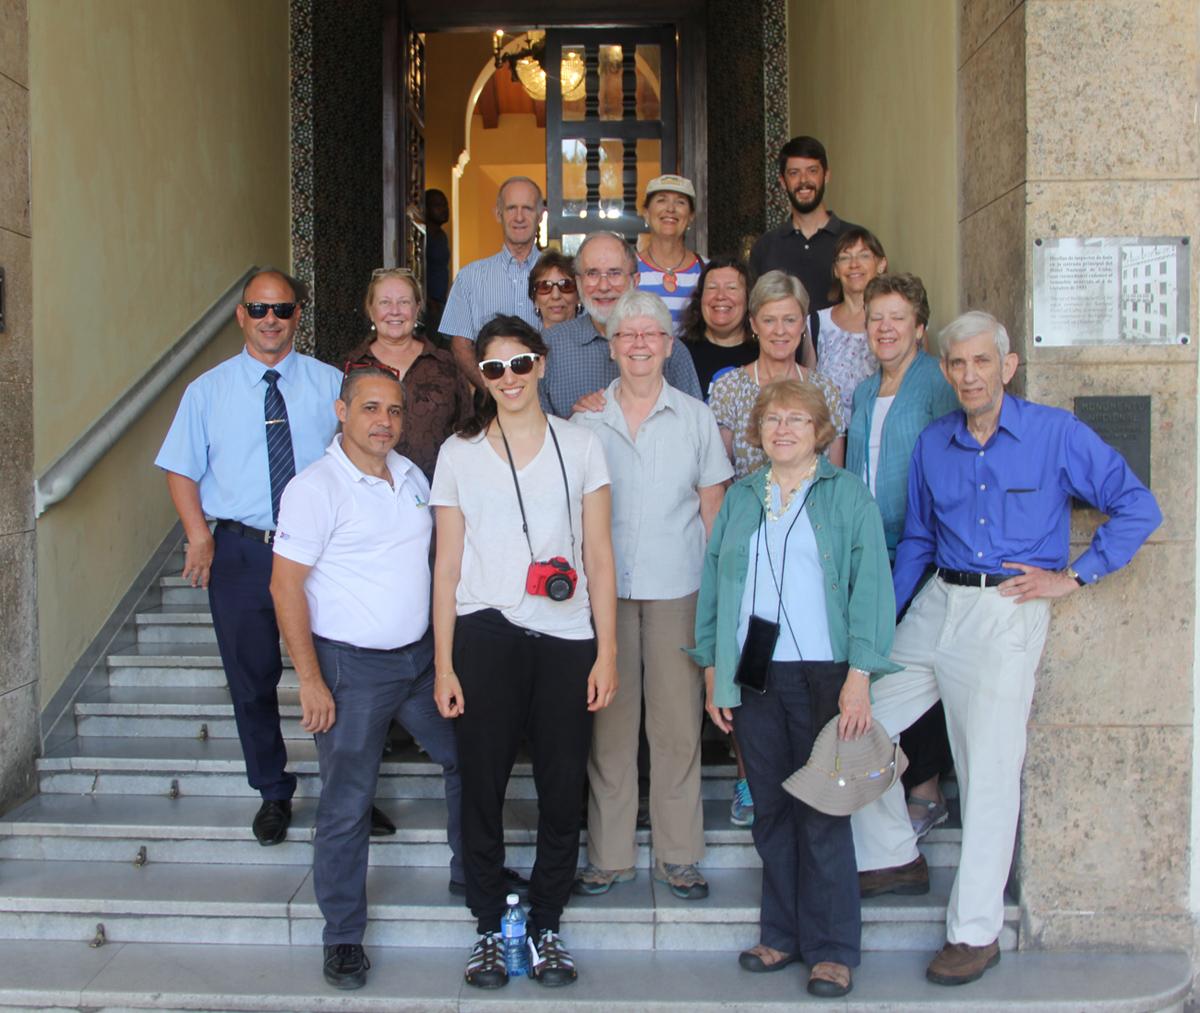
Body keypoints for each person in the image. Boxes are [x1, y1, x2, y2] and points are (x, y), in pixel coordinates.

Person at [851, 310, 1161, 987]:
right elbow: (920, 542)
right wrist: (878, 629)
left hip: (1008, 608)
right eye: (957, 364)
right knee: (860, 719)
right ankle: (891, 853)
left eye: (981, 362)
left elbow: (1137, 505)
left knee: (988, 768)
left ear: (1007, 366)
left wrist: (1073, 576)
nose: (967, 375)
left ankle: (974, 931)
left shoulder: (1054, 434)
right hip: (939, 600)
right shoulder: (935, 442)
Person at [155, 269, 390, 844]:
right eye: (259, 310)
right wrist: (199, 534)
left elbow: (361, 456)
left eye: (281, 309)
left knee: (343, 675)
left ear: (297, 316)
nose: (270, 320)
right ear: (241, 316)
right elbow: (181, 469)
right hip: (244, 550)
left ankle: (351, 793)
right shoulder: (206, 391)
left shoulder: (332, 384)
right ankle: (273, 792)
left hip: (320, 554)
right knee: (252, 678)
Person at [691, 379, 898, 998]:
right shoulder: (743, 496)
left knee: (824, 812)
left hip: (827, 674)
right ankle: (780, 933)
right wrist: (712, 672)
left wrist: (860, 676)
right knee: (773, 810)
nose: (783, 429)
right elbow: (714, 587)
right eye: (773, 419)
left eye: (797, 420)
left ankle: (832, 948)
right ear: (757, 431)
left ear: (819, 432)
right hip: (756, 672)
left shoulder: (846, 495)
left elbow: (871, 591)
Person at [431, 315, 618, 990]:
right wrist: (445, 662)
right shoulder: (459, 451)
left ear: (540, 364)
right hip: (484, 632)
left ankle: (546, 924)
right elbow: (446, 564)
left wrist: (608, 651)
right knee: (481, 785)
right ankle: (487, 925)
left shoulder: (583, 444)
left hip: (567, 639)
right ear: (479, 376)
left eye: (519, 364)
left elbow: (599, 553)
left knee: (562, 787)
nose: (507, 378)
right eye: (493, 368)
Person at [269, 365, 463, 991]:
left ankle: (471, 871)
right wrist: (311, 680)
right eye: (371, 408)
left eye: (395, 411)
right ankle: (343, 936)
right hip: (351, 669)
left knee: (469, 754)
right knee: (348, 801)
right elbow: (284, 586)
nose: (384, 421)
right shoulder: (315, 487)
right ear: (341, 411)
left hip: (417, 662)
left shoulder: (410, 475)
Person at [570, 290, 731, 902]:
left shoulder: (694, 418)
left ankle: (679, 855)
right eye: (626, 335)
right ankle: (609, 856)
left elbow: (713, 516)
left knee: (677, 727)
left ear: (668, 345)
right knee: (609, 727)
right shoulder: (585, 421)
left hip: (677, 591)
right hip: (604, 597)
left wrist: (718, 604)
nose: (638, 344)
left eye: (650, 334)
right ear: (611, 348)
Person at [844, 273, 960, 838]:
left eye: (897, 318)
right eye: (876, 318)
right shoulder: (866, 391)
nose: (885, 328)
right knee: (883, 666)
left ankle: (928, 788)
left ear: (920, 326)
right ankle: (894, 783)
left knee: (913, 668)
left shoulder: (937, 382)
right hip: (874, 550)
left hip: (924, 547)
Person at [540, 231, 701, 418]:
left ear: (636, 280)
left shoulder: (666, 346)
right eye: (592, 273)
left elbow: (694, 423)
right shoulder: (550, 345)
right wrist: (574, 423)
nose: (604, 286)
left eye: (614, 273)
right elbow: (534, 432)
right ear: (578, 281)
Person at [710, 269, 846, 480]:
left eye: (790, 320)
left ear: (802, 324)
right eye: (769, 320)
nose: (780, 331)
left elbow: (836, 478)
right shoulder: (729, 388)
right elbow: (720, 476)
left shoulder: (825, 390)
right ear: (754, 324)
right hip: (747, 511)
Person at [345, 267, 470, 482]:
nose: (395, 311)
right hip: (367, 495)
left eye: (404, 302)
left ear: (417, 308)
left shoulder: (445, 365)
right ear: (370, 309)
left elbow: (468, 431)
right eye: (385, 302)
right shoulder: (351, 367)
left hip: (438, 494)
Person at [442, 176, 543, 389]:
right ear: (498, 214)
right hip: (491, 404)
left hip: (551, 402)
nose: (519, 217)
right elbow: (460, 346)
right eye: (511, 208)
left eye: (527, 208)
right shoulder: (469, 277)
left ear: (540, 215)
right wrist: (492, 391)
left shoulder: (561, 277)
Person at [749, 136, 861, 313]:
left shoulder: (856, 241)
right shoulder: (765, 247)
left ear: (826, 176)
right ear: (782, 182)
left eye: (812, 171)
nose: (803, 180)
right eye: (794, 173)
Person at [806, 227, 889, 418]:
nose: (854, 265)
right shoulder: (817, 323)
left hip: (882, 437)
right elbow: (808, 392)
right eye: (845, 258)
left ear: (881, 264)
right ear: (836, 270)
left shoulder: (900, 320)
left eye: (864, 256)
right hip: (831, 438)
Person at [679, 256, 758, 399]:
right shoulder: (680, 353)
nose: (720, 296)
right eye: (712, 288)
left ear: (748, 299)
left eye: (731, 288)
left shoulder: (762, 355)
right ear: (700, 298)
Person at [635, 174, 703, 330]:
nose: (670, 209)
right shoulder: (627, 270)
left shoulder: (706, 270)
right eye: (661, 200)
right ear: (646, 213)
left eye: (680, 202)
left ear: (691, 216)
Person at [529, 249, 580, 328]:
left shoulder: (601, 340)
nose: (555, 296)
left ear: (579, 297)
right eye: (545, 287)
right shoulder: (526, 340)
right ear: (535, 300)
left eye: (566, 286)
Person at [424, 188, 451, 338]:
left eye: (445, 205)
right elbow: (417, 270)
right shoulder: (423, 236)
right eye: (437, 205)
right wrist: (427, 300)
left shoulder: (441, 236)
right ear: (426, 208)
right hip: (428, 304)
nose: (444, 209)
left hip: (440, 302)